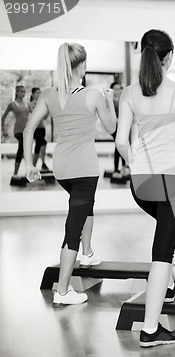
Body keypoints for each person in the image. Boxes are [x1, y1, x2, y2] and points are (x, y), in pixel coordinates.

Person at [115, 29, 175, 348]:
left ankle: (165, 286)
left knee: (165, 239)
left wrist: (136, 162)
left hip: (141, 185)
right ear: (168, 57)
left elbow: (120, 141)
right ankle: (150, 329)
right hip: (174, 184)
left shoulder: (128, 93)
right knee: (162, 253)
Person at [23, 42, 117, 307]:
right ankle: (63, 291)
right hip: (85, 169)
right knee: (73, 226)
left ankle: (87, 253)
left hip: (62, 168)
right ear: (83, 66)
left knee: (85, 207)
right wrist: (109, 101)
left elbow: (29, 130)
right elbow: (112, 127)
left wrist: (31, 165)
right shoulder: (94, 96)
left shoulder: (49, 95)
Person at [1, 85, 29, 176]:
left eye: (24, 92)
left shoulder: (27, 104)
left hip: (27, 131)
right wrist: (3, 130)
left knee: (22, 150)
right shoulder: (13, 104)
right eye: (21, 92)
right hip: (18, 130)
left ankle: (22, 172)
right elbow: (3, 117)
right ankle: (16, 173)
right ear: (17, 92)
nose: (23, 94)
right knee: (22, 147)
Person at [109, 82, 128, 178]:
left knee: (121, 145)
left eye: (119, 88)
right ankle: (117, 168)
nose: (118, 90)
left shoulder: (123, 100)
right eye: (115, 89)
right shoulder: (109, 101)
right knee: (119, 145)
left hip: (122, 126)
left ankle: (123, 167)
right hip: (114, 127)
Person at [29, 87, 51, 172]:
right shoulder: (31, 104)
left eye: (40, 93)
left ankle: (33, 166)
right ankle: (43, 163)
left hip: (42, 128)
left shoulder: (43, 103)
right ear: (33, 94)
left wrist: (48, 109)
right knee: (43, 142)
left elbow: (45, 117)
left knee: (38, 147)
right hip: (35, 129)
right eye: (37, 93)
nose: (39, 94)